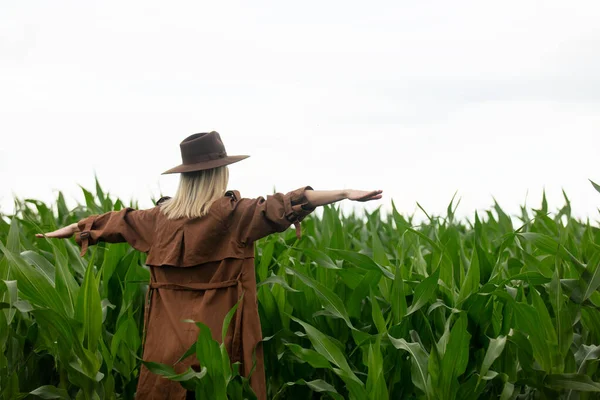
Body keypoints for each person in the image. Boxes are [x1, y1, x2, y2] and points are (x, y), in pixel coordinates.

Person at [37, 132, 383, 400]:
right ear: (219, 174)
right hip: (223, 352)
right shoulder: (237, 216)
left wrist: (74, 229)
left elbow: (115, 222)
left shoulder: (158, 219)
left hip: (167, 354)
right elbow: (289, 204)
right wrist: (343, 192)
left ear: (186, 177)